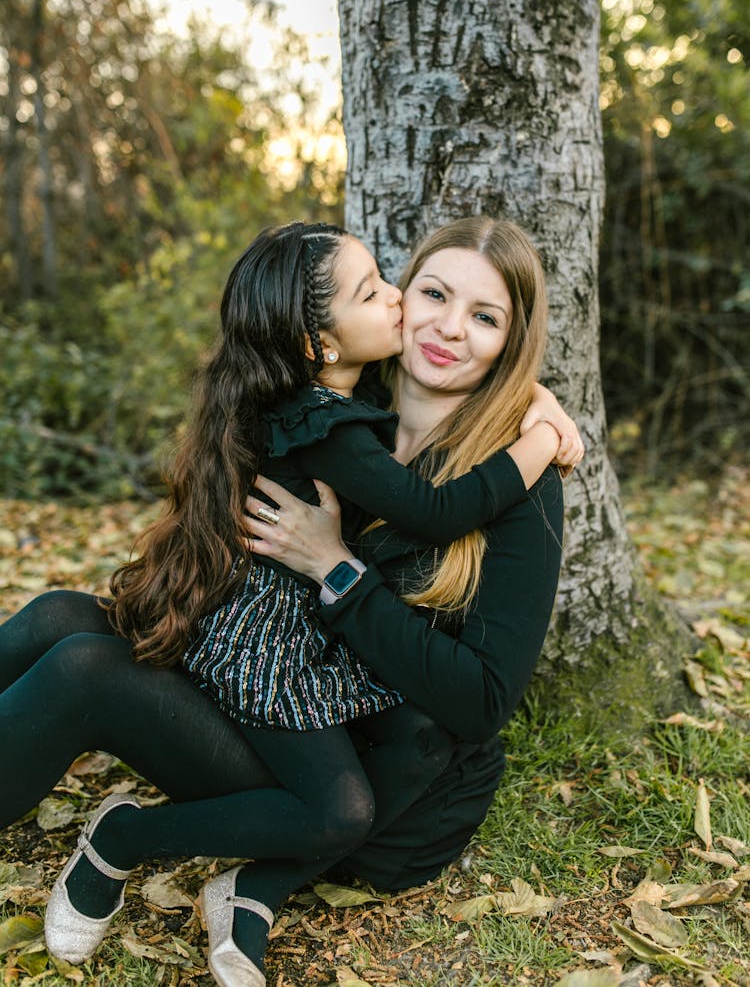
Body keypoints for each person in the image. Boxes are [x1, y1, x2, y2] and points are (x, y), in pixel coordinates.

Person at [0, 217, 578, 987]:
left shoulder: (516, 484)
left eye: (485, 317)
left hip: (365, 766)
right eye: (431, 293)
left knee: (85, 669)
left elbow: (478, 702)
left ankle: (129, 839)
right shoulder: (345, 393)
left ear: (513, 340)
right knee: (58, 617)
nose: (444, 326)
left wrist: (337, 570)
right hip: (265, 672)